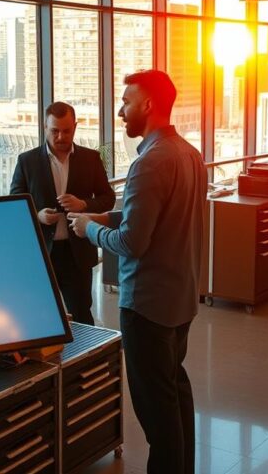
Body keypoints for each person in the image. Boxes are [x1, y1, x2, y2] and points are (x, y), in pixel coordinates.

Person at [69, 70, 205, 474]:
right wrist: (103, 214)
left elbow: (132, 243)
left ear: (148, 105)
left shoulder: (149, 161)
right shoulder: (188, 153)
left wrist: (89, 228)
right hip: (180, 298)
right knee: (175, 394)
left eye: (126, 101)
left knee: (156, 414)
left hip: (147, 305)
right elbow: (153, 217)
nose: (121, 110)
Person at [9, 101, 115, 325]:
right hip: (41, 253)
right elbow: (15, 203)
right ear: (45, 128)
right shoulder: (27, 161)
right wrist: (37, 215)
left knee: (82, 316)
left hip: (77, 252)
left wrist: (83, 205)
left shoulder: (90, 158)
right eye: (54, 131)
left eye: (66, 131)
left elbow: (108, 197)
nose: (60, 137)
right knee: (39, 316)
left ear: (75, 127)